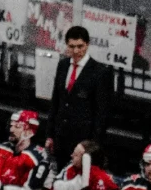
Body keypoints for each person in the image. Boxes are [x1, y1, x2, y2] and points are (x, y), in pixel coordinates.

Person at [45, 25, 114, 160]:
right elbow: (56, 102)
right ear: (66, 45)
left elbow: (102, 113)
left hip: (82, 141)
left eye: (80, 46)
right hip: (60, 137)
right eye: (71, 46)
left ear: (87, 45)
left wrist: (93, 145)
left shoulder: (99, 72)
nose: (76, 51)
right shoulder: (63, 65)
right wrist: (50, 134)